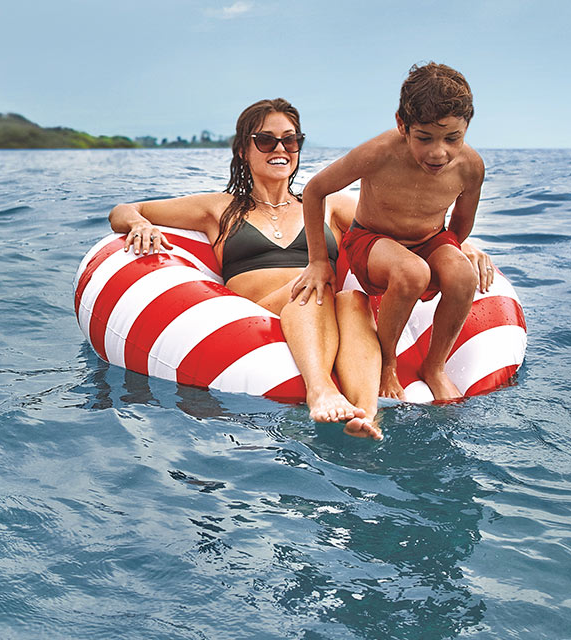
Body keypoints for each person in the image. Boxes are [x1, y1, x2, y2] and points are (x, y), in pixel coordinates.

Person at [109, 98, 492, 440]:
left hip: (325, 304)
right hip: (258, 309)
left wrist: (458, 247)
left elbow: (403, 228)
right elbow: (124, 210)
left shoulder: (330, 206)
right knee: (314, 286)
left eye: (290, 141)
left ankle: (367, 414)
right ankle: (320, 389)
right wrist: (140, 224)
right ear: (244, 150)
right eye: (266, 140)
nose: (280, 149)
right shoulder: (219, 208)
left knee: (353, 299)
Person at [291, 63, 488, 403]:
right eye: (424, 138)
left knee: (462, 275)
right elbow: (314, 191)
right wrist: (319, 261)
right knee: (412, 271)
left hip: (429, 240)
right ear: (402, 124)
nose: (439, 152)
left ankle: (434, 367)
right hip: (371, 241)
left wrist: (453, 253)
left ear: (466, 128)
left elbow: (461, 222)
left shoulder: (470, 167)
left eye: (452, 138)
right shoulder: (378, 154)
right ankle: (386, 361)